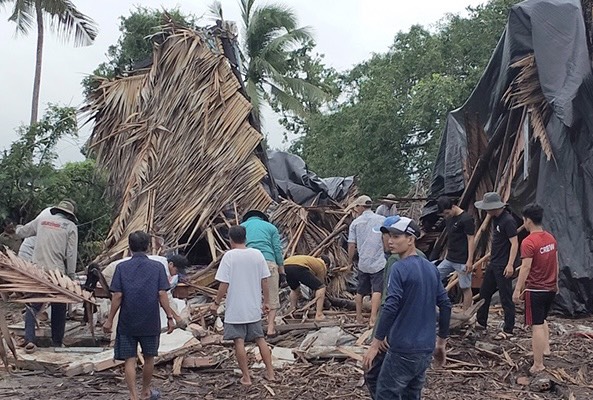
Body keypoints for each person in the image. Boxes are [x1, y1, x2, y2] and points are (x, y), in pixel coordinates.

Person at [363, 217, 451, 400]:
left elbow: (390, 304)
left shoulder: (399, 268)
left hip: (403, 348)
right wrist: (441, 342)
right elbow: (445, 304)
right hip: (425, 348)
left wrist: (376, 342)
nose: (390, 241)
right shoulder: (431, 268)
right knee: (411, 394)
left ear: (410, 239)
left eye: (396, 236)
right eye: (389, 236)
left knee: (387, 394)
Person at [103, 231, 176, 400]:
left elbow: (117, 296)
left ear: (129, 247)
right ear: (148, 246)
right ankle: (145, 391)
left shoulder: (121, 267)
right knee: (149, 357)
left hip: (127, 321)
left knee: (129, 358)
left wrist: (109, 320)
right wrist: (170, 317)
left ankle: (133, 395)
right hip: (150, 320)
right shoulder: (157, 267)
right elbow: (162, 294)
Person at [211, 225, 275, 385]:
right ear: (245, 237)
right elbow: (265, 281)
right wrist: (266, 302)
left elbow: (224, 283)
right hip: (253, 307)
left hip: (235, 309)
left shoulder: (229, 257)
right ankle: (271, 373)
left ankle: (246, 377)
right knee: (260, 339)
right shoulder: (257, 254)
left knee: (238, 341)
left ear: (230, 239)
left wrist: (216, 302)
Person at [16, 200, 78, 350]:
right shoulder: (70, 227)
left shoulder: (42, 220)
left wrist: (17, 228)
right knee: (59, 307)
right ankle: (57, 342)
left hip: (37, 270)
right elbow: (71, 254)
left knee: (33, 304)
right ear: (69, 215)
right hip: (56, 273)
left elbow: (22, 232)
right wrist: (70, 277)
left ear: (56, 211)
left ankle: (30, 339)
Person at [513, 203, 559, 374]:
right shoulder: (550, 238)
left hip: (536, 289)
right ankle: (545, 348)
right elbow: (556, 261)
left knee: (536, 324)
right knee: (543, 319)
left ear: (528, 220)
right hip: (550, 288)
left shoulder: (528, 242)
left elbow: (525, 268)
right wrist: (556, 282)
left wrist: (518, 289)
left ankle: (538, 364)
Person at [475, 192, 518, 339]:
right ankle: (481, 321)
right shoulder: (496, 219)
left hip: (503, 264)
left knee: (505, 297)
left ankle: (509, 328)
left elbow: (514, 243)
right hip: (494, 262)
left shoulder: (508, 221)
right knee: (484, 293)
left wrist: (510, 264)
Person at [241, 210, 284, 337]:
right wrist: (282, 271)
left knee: (250, 296)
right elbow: (277, 249)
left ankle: (254, 328)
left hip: (248, 263)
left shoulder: (241, 227)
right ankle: (270, 328)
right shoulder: (271, 227)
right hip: (268, 261)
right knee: (272, 295)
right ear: (263, 219)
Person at [347, 195, 385, 327]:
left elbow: (351, 245)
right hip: (379, 261)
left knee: (360, 291)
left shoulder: (355, 223)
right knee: (377, 290)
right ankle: (373, 318)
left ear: (360, 206)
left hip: (363, 262)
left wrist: (349, 261)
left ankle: (359, 316)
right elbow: (386, 239)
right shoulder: (382, 220)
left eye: (356, 207)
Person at [436, 196, 476, 311]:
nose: (446, 216)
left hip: (462, 259)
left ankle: (466, 311)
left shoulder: (466, 219)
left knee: (465, 287)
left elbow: (471, 239)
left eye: (447, 213)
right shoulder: (449, 218)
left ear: (453, 206)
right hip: (449, 258)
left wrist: (470, 260)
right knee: (435, 276)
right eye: (444, 214)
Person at [284, 255, 330, 320]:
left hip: (285, 265)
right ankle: (319, 314)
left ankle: (292, 309)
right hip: (298, 267)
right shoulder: (322, 265)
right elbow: (319, 284)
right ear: (327, 264)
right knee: (321, 288)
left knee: (294, 289)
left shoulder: (311, 260)